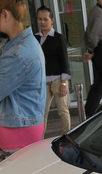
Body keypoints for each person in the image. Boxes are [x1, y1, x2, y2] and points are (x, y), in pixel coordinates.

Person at [0, 0, 45, 172]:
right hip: (16, 126)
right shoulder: (19, 45)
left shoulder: (18, 53)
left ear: (5, 15)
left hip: (19, 129)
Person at [35, 6, 71, 137]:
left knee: (63, 110)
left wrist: (64, 83)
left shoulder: (58, 37)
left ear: (52, 20)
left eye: (45, 19)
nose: (42, 22)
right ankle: (39, 138)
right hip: (42, 81)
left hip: (57, 80)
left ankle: (66, 136)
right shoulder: (35, 38)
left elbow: (64, 60)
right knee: (42, 112)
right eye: (39, 19)